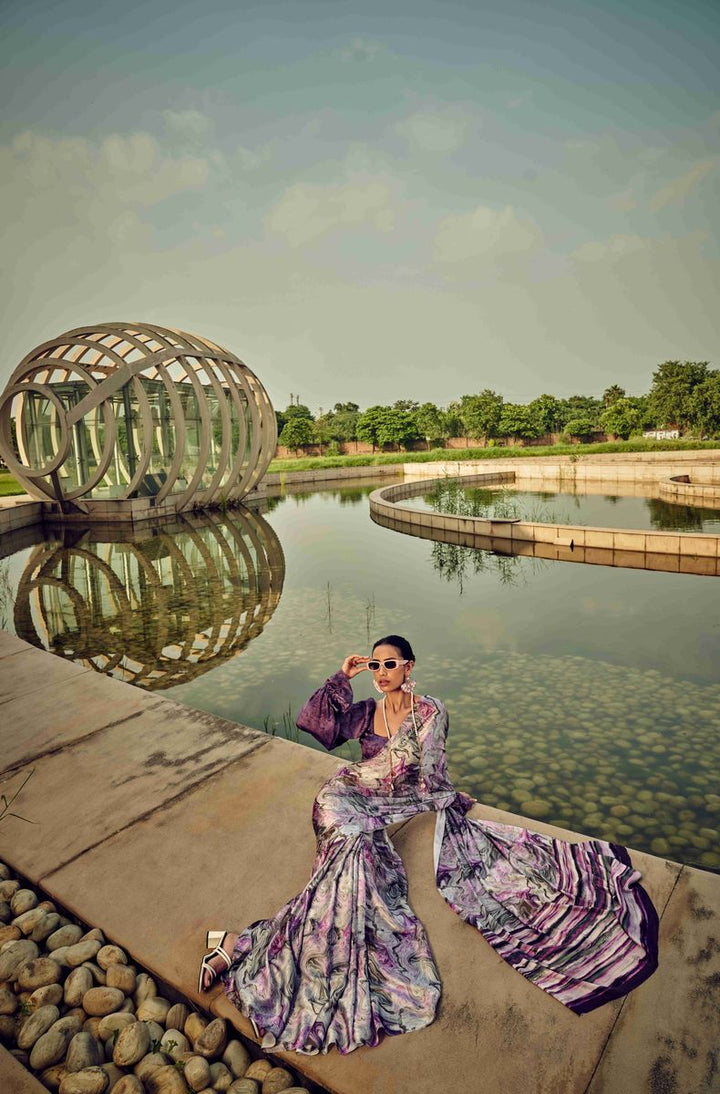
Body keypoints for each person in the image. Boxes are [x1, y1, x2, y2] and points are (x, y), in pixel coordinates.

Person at [198, 635, 659, 1056]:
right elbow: (312, 722)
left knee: (353, 874)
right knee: (350, 859)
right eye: (375, 665)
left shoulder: (430, 712)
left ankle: (241, 946)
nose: (381, 673)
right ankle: (249, 948)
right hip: (343, 801)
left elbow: (429, 778)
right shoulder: (363, 713)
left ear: (409, 667)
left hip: (379, 811)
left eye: (389, 664)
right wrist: (343, 676)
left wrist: (444, 798)